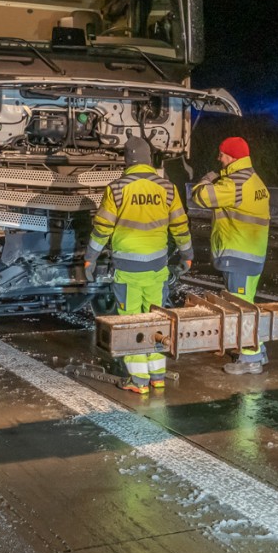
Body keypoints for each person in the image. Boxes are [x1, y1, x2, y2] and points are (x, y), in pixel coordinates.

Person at [84, 136, 193, 394]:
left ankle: (138, 380)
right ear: (148, 159)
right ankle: (157, 376)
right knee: (156, 319)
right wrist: (187, 254)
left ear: (127, 160)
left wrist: (91, 257)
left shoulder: (117, 189)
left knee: (131, 322)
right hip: (157, 267)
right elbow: (180, 225)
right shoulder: (167, 188)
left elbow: (102, 229)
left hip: (129, 271)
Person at [191, 136, 271, 374]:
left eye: (222, 154)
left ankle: (250, 359)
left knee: (240, 308)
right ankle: (258, 350)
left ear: (233, 157)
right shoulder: (254, 180)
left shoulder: (234, 184)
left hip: (239, 254)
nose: (219, 158)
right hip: (251, 253)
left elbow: (200, 197)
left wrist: (207, 178)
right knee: (247, 304)